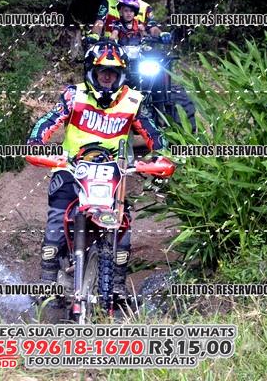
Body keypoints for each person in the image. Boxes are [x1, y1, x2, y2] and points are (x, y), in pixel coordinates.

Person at [27, 42, 174, 296]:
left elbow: (154, 134)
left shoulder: (133, 101)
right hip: (71, 168)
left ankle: (116, 285)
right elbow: (48, 121)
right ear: (91, 72)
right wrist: (36, 143)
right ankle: (47, 281)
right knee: (57, 221)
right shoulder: (74, 95)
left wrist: (162, 157)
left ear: (121, 75)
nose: (107, 77)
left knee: (122, 224)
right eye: (102, 72)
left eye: (113, 73)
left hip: (113, 172)